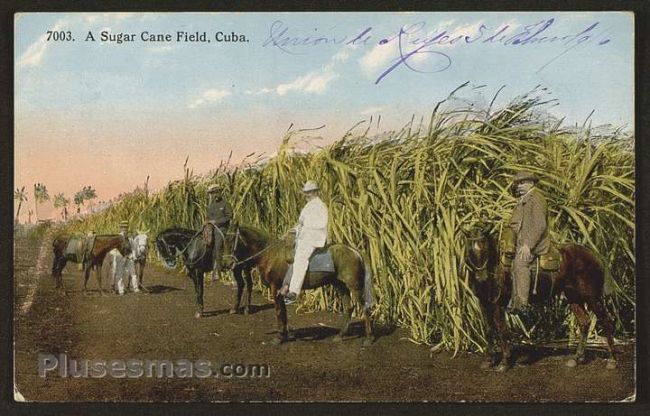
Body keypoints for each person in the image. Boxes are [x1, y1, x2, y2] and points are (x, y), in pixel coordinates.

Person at [280, 180, 329, 304]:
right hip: (305, 235)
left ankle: (294, 292)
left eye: (308, 192)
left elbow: (321, 224)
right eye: (306, 192)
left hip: (314, 237)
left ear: (314, 192)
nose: (306, 195)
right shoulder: (308, 205)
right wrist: (292, 230)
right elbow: (301, 223)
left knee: (301, 258)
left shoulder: (320, 206)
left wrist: (304, 230)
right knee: (291, 254)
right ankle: (285, 284)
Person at [508, 171, 550, 311]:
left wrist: (528, 245)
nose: (518, 186)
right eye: (517, 183)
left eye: (522, 183)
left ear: (531, 183)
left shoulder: (536, 198)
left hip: (535, 243)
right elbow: (514, 223)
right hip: (520, 242)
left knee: (520, 263)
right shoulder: (523, 200)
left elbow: (540, 225)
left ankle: (522, 304)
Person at [206, 184, 233, 283]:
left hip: (221, 229)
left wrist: (216, 222)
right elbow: (208, 217)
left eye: (216, 192)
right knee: (206, 245)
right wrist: (207, 222)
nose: (214, 195)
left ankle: (218, 272)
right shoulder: (211, 206)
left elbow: (229, 217)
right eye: (213, 193)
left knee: (217, 247)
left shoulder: (225, 204)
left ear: (220, 192)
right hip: (210, 229)